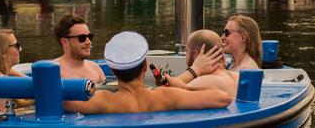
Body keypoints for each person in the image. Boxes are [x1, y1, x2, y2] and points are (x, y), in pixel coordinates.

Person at [64, 31, 233, 114]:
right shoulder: (166, 96)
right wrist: (184, 87)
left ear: (113, 70)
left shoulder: (104, 101)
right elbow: (223, 98)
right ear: (145, 65)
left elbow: (59, 99)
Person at [166, 30, 238, 97]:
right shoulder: (235, 76)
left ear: (195, 54)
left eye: (187, 51)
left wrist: (193, 70)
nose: (185, 55)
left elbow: (164, 95)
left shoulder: (206, 80)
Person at [52, 15, 106, 84]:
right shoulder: (53, 71)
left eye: (90, 37)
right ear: (65, 42)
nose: (88, 42)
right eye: (82, 38)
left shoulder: (95, 68)